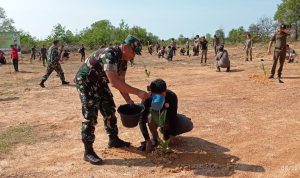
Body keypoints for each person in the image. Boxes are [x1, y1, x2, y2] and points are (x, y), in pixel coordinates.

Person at [74, 35, 150, 165]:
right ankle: (88, 152)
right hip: (86, 82)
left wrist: (129, 100)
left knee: (109, 109)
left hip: (100, 82)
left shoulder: (123, 60)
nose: (133, 56)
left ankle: (113, 139)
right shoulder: (110, 54)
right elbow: (114, 82)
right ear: (125, 47)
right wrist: (138, 92)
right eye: (133, 52)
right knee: (90, 115)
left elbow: (121, 82)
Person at [138, 79, 193, 153]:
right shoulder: (147, 99)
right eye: (155, 95)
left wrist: (170, 135)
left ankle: (165, 131)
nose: (158, 97)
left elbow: (172, 117)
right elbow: (141, 120)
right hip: (154, 119)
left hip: (167, 117)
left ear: (165, 91)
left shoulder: (171, 96)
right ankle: (155, 138)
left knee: (188, 124)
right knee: (149, 116)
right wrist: (147, 140)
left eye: (161, 94)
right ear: (151, 92)